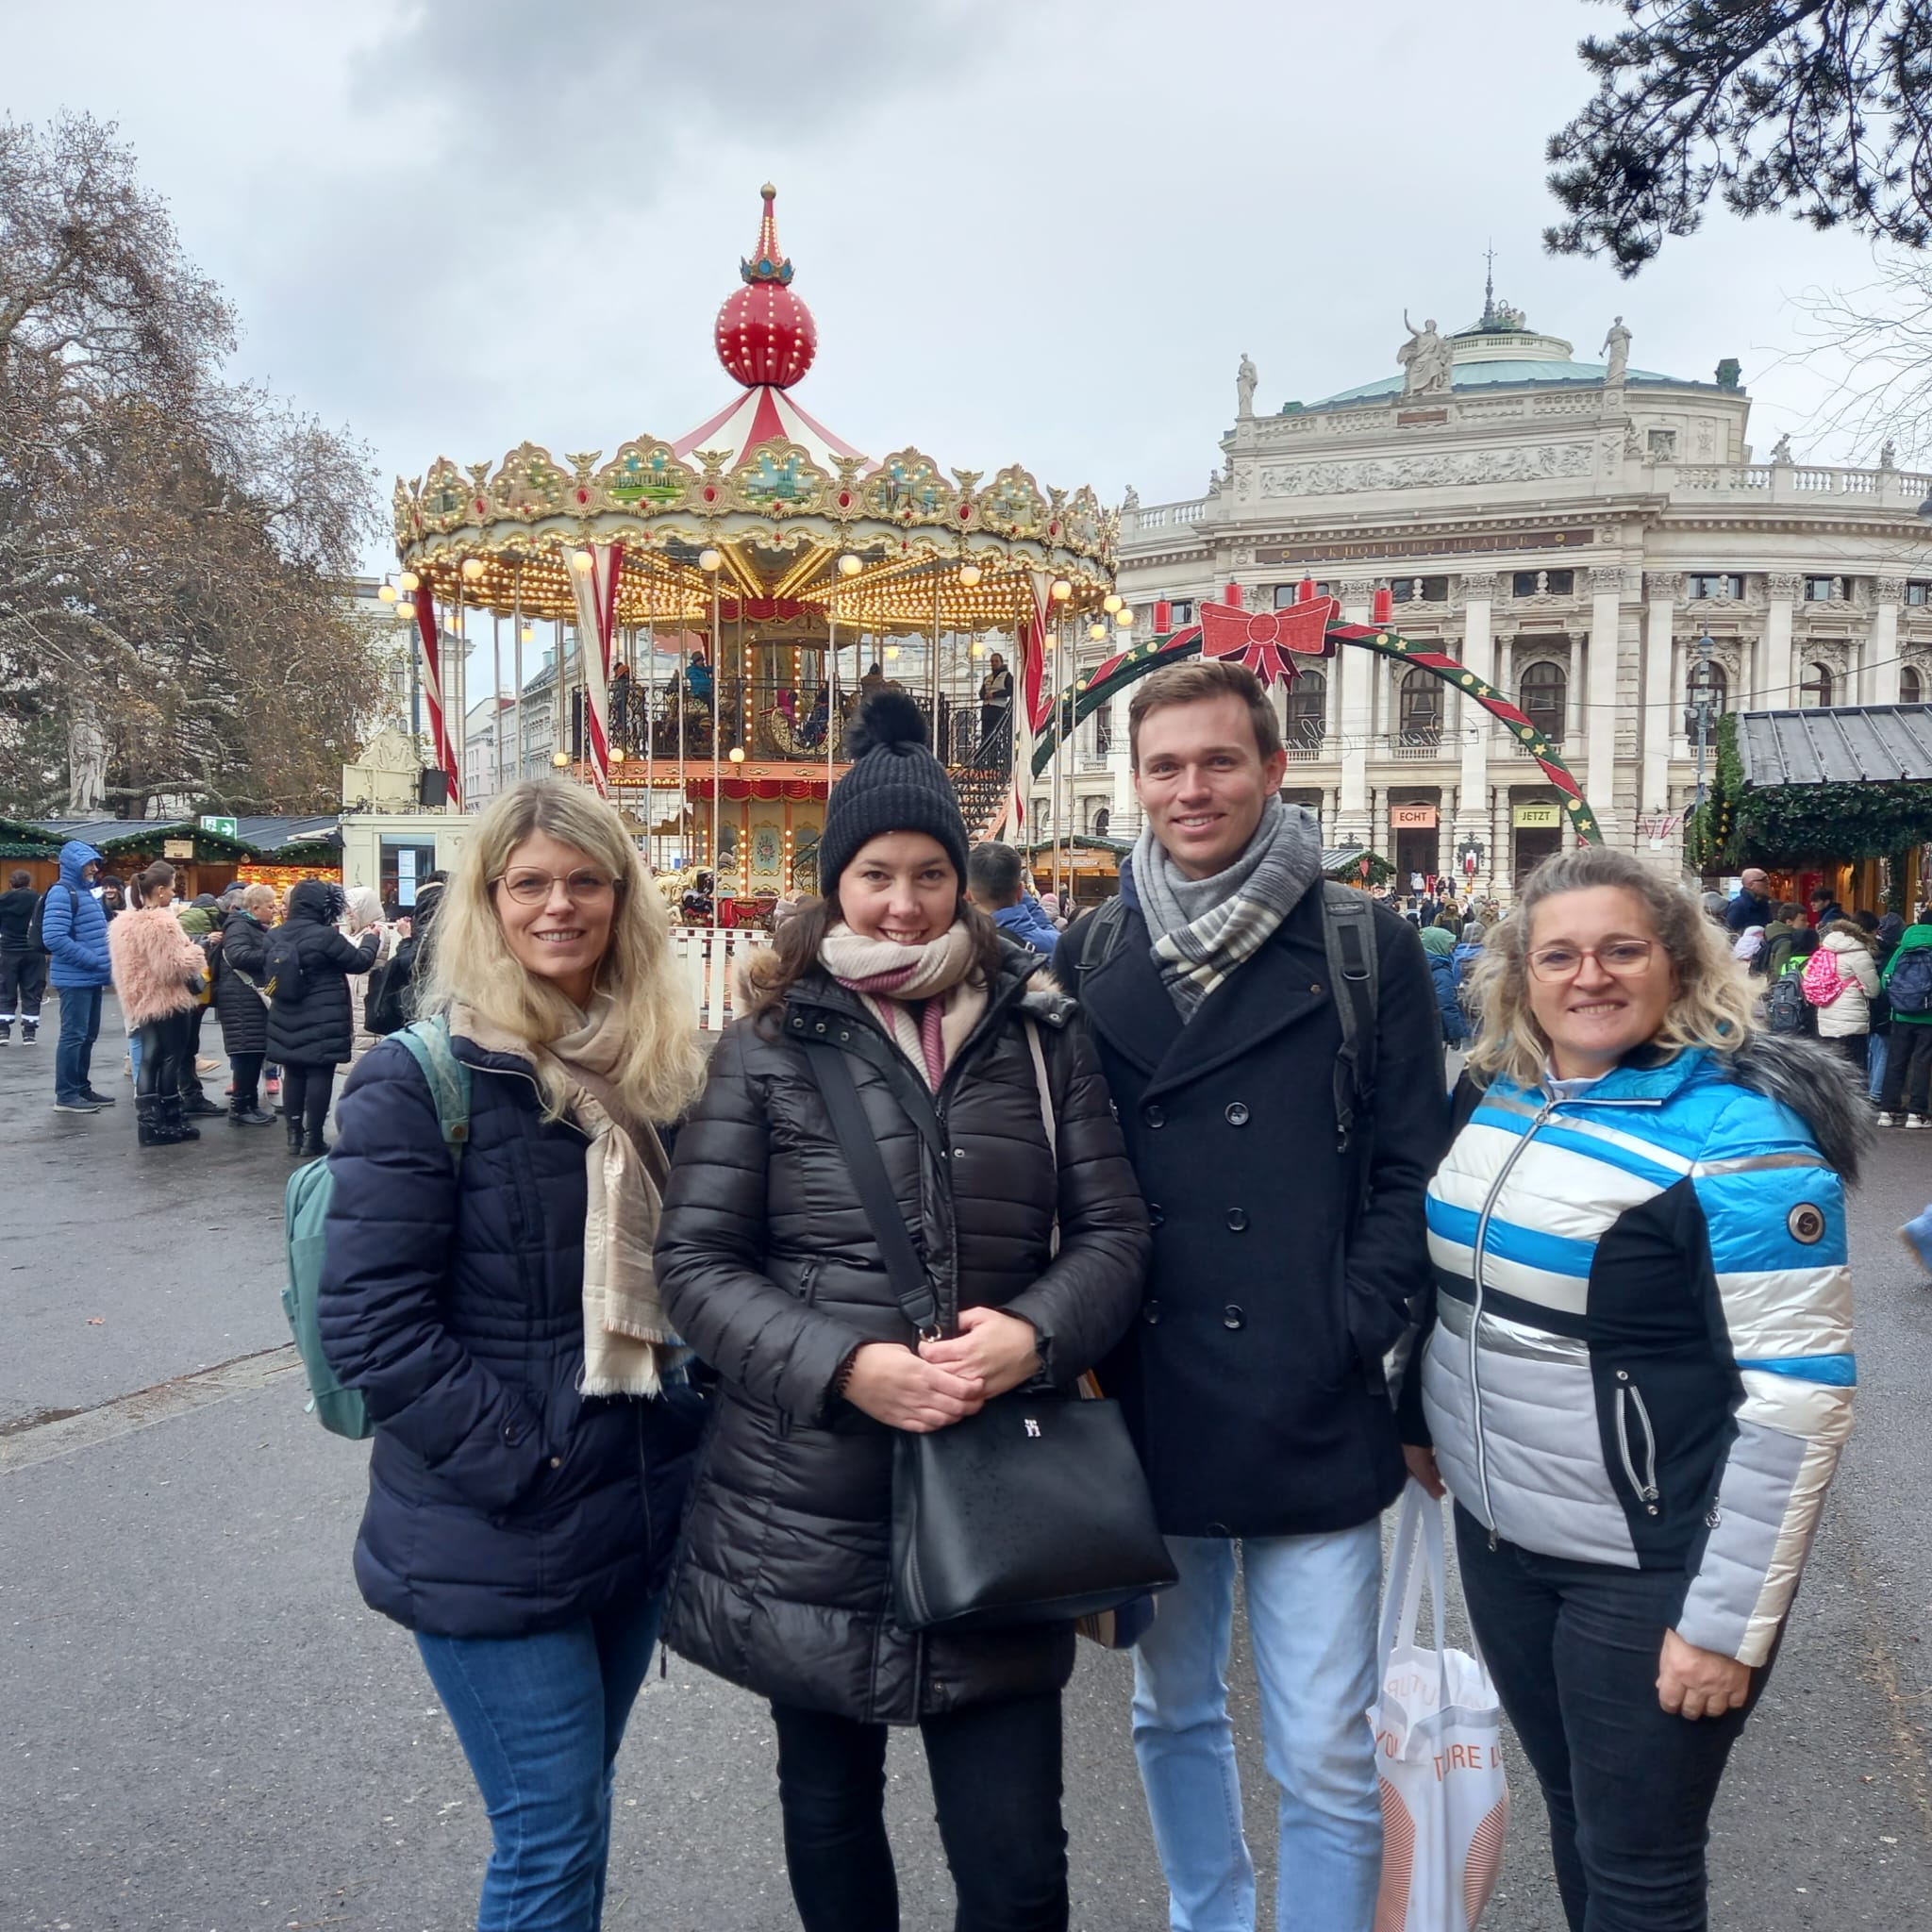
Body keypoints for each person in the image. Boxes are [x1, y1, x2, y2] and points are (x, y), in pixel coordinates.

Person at [654, 689, 1148, 1932]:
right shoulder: (766, 1046)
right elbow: (700, 1265)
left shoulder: (1041, 1034)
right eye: (876, 874)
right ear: (836, 884)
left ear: (963, 882)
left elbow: (1115, 1234)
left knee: (1018, 1863)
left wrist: (1037, 1331)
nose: (905, 903)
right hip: (810, 1503)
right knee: (828, 1814)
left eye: (931, 873)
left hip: (1000, 1494)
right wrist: (844, 1365)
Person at [1402, 845, 1861, 1932]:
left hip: (1650, 1564)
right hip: (1504, 1540)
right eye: (1557, 954)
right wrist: (1417, 1421)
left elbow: (1796, 1401)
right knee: (1578, 1820)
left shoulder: (1743, 1139)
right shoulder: (1505, 1091)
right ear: (1519, 973)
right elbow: (1461, 1299)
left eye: (1620, 948)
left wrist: (1722, 1623)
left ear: (1678, 963)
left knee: (1639, 1868)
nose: (1588, 975)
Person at [1055, 658, 1445, 1932]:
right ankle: (1207, 1916)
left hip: (1307, 1393)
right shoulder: (1097, 942)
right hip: (1153, 1402)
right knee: (1170, 1707)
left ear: (1275, 770)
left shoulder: (1358, 940)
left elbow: (1408, 1163)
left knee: (1326, 1748)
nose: (1192, 788)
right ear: (1138, 784)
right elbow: (1065, 1166)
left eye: (1219, 761)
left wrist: (1358, 1319)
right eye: (1165, 766)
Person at [320, 779, 708, 1932]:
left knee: (572, 1810)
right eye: (529, 882)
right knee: (549, 1829)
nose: (558, 905)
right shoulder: (420, 1079)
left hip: (631, 1510)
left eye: (585, 879)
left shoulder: (659, 1068)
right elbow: (375, 1324)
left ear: (621, 897)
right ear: (488, 902)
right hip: (503, 1520)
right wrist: (528, 1467)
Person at [263, 880, 381, 1159]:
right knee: (319, 1073)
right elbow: (359, 962)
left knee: (293, 1072)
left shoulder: (274, 936)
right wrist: (371, 939)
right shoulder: (325, 936)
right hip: (323, 1015)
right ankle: (313, 1138)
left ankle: (293, 1136)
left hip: (285, 1012)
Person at [108, 861, 210, 1147]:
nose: (175, 890)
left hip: (141, 998)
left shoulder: (123, 923)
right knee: (170, 1059)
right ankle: (169, 1120)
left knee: (150, 1058)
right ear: (161, 890)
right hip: (168, 997)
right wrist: (197, 948)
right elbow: (174, 966)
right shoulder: (162, 922)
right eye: (174, 884)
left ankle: (150, 1125)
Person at [41, 840, 116, 1115]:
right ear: (74, 864)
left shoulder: (85, 893)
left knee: (86, 1035)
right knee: (74, 1036)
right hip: (76, 978)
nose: (95, 868)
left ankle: (81, 1087)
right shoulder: (63, 892)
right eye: (89, 863)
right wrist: (94, 961)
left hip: (90, 977)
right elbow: (54, 938)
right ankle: (66, 1094)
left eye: (95, 863)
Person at [212, 884, 276, 1126]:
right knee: (247, 1053)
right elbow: (239, 956)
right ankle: (240, 1106)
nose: (274, 910)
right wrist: (272, 954)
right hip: (241, 999)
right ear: (255, 907)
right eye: (270, 906)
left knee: (254, 1051)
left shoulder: (249, 925)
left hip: (247, 999)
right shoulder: (239, 925)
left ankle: (249, 1104)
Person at [1876, 907, 1932, 1127]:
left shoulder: (1903, 948)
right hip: (1928, 1017)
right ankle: (1916, 1113)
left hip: (1900, 1014)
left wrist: (1901, 999)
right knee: (1922, 1063)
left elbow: (1885, 979)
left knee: (1896, 1061)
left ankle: (1888, 1111)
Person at [1808, 915, 1881, 1075]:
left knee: (1831, 1067)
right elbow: (1873, 990)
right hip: (1852, 1019)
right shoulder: (1859, 953)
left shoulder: (1824, 950)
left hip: (1826, 1015)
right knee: (1854, 1068)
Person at [966, 841, 1059, 958]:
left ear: (967, 895)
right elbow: (1046, 927)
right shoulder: (1056, 945)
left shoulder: (961, 949)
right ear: (1020, 892)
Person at [0, 867, 46, 1046]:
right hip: (33, 951)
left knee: (5, 989)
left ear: (11, 883)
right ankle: (29, 1032)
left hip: (8, 950)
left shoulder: (3, 900)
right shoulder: (39, 899)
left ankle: (3, 1031)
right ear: (29, 883)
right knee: (32, 990)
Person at [1421, 921, 1468, 1049]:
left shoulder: (1414, 963)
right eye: (1449, 944)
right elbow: (1446, 1005)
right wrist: (1456, 1033)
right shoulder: (1441, 972)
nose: (1451, 948)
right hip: (1436, 1031)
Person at [1758, 901, 1807, 981]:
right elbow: (1780, 971)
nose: (1807, 923)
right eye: (1803, 920)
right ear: (1789, 922)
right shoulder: (1786, 943)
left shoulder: (1771, 934)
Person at [1725, 866, 1773, 933]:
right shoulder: (1739, 906)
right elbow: (1729, 933)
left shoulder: (1764, 904)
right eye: (1763, 880)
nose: (1768, 883)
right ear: (1750, 884)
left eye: (1768, 879)